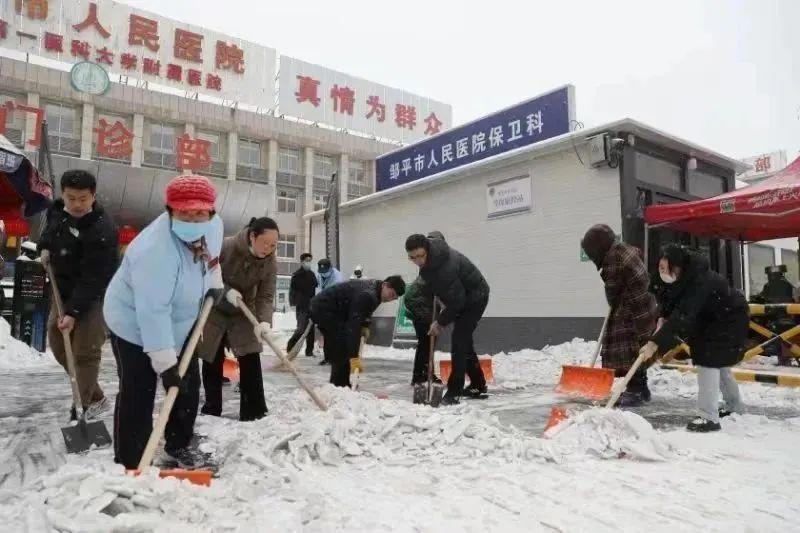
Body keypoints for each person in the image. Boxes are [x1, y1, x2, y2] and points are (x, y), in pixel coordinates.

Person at [103, 175, 226, 468]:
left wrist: (215, 281)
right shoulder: (154, 251)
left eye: (200, 212)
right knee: (139, 390)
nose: (194, 219)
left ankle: (179, 445)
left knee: (187, 387)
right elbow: (152, 312)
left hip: (182, 321)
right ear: (170, 210)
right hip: (133, 324)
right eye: (185, 212)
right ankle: (132, 460)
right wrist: (164, 362)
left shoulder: (215, 226)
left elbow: (212, 259)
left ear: (211, 212)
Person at [641, 244, 749, 432]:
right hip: (708, 320)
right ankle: (735, 406)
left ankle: (708, 418)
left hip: (729, 319)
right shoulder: (677, 279)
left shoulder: (700, 279)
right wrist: (661, 320)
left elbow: (683, 314)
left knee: (708, 360)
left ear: (678, 266)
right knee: (718, 363)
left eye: (666, 269)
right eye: (660, 268)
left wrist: (655, 342)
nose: (662, 273)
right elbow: (668, 304)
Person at [38, 170, 119, 421]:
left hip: (96, 294)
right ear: (63, 194)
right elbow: (49, 233)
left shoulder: (102, 230)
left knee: (85, 351)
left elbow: (93, 278)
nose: (76, 204)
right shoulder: (57, 210)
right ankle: (95, 396)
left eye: (83, 199)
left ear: (93, 197)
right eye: (71, 198)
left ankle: (81, 408)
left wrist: (73, 312)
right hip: (62, 290)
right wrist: (43, 248)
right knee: (59, 344)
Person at [197, 217, 278, 421]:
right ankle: (212, 409)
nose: (269, 248)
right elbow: (206, 273)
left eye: (273, 244)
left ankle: (254, 411)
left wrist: (264, 321)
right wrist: (226, 291)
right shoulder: (226, 246)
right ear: (252, 236)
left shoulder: (269, 261)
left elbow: (266, 295)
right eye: (265, 243)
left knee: (250, 355)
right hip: (215, 308)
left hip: (244, 310)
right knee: (212, 357)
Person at [405, 233, 489, 405]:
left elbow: (458, 301)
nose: (418, 261)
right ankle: (478, 385)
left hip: (475, 297)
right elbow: (438, 290)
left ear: (427, 249)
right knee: (464, 341)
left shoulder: (445, 266)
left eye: (420, 256)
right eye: (413, 258)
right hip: (461, 297)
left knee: (459, 340)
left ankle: (454, 392)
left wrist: (440, 322)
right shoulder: (430, 263)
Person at [581, 224, 657, 406]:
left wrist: (614, 295)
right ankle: (642, 389)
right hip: (645, 305)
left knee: (625, 345)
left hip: (633, 308)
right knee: (639, 346)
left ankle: (636, 390)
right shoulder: (624, 249)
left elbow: (612, 292)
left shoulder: (613, 258)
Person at [310, 276, 405, 387]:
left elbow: (362, 312)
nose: (390, 299)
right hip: (324, 308)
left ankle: (341, 383)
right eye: (391, 294)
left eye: (394, 298)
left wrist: (365, 325)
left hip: (334, 310)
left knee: (342, 344)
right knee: (341, 344)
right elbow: (353, 327)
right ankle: (339, 384)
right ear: (385, 285)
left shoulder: (376, 291)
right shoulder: (368, 294)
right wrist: (354, 357)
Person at [404, 231, 446, 385]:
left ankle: (423, 375)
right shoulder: (431, 261)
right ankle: (421, 376)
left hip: (425, 303)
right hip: (418, 303)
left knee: (428, 341)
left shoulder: (435, 260)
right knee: (427, 340)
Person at [287, 252, 318, 357]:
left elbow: (315, 288)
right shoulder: (297, 275)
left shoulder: (312, 274)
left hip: (311, 305)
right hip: (301, 306)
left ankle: (309, 351)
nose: (308, 263)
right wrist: (292, 302)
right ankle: (290, 347)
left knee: (311, 329)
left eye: (310, 261)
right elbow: (292, 290)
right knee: (301, 328)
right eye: (306, 261)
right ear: (302, 262)